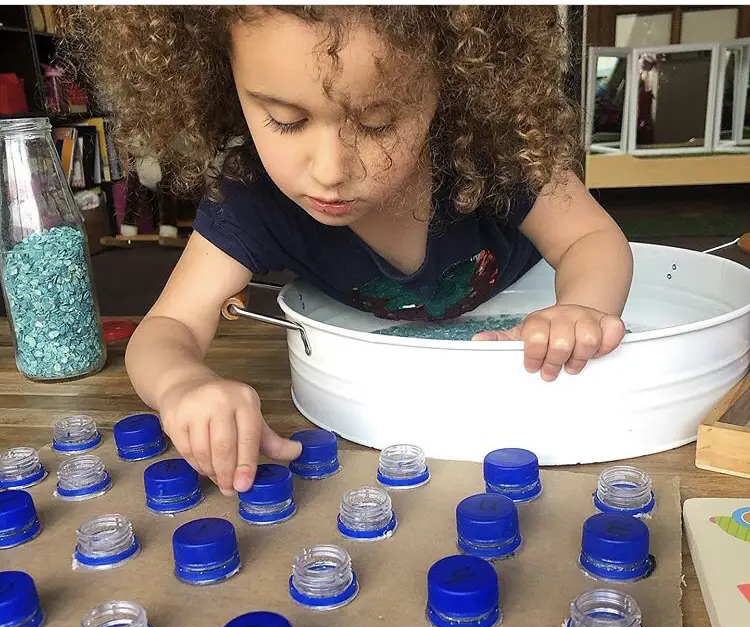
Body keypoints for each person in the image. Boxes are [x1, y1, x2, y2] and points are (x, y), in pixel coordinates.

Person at [59, 6, 633, 497]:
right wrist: (182, 384)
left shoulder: (494, 154)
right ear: (221, 82)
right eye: (285, 121)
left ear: (452, 86)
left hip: (539, 409)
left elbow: (593, 239)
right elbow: (167, 327)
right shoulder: (252, 197)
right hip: (375, 426)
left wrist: (580, 306)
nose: (330, 171)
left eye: (379, 123)